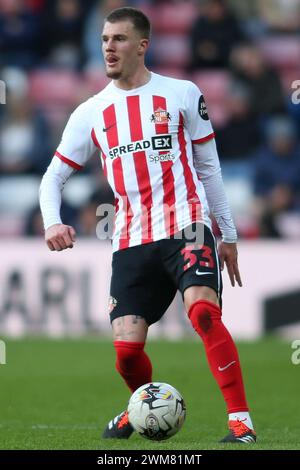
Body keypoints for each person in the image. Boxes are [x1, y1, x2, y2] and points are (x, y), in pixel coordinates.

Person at [39, 7, 256, 444]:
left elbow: (209, 168)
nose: (108, 47)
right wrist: (51, 222)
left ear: (142, 45)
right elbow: (53, 176)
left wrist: (227, 234)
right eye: (104, 39)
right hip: (131, 238)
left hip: (187, 225)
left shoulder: (181, 93)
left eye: (119, 39)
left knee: (203, 313)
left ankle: (240, 421)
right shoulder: (92, 111)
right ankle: (141, 407)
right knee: (126, 353)